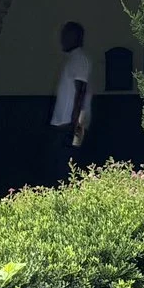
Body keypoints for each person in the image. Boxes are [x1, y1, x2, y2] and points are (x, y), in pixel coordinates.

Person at [49, 21, 91, 184]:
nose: (62, 40)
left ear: (75, 37)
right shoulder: (73, 59)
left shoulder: (79, 59)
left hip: (70, 125)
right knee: (62, 166)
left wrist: (74, 124)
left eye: (65, 35)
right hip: (66, 124)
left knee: (67, 168)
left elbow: (81, 91)